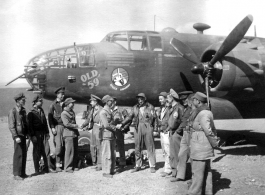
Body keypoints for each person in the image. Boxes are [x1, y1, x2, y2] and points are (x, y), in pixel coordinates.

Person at [118, 93, 157, 173]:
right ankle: (138, 165)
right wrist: (122, 124)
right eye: (138, 99)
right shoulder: (135, 107)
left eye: (141, 98)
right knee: (137, 146)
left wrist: (155, 130)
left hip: (148, 126)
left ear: (145, 98)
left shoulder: (150, 107)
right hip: (137, 127)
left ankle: (152, 165)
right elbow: (129, 117)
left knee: (150, 146)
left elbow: (155, 119)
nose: (140, 100)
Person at [188, 92, 218, 195]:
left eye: (194, 100)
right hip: (202, 145)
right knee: (206, 171)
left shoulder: (203, 113)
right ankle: (208, 191)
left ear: (198, 101)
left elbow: (208, 130)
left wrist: (214, 143)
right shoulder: (203, 112)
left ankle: (194, 192)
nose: (193, 101)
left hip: (200, 146)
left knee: (197, 171)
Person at [27, 95, 57, 174]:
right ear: (35, 102)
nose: (42, 102)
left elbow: (45, 123)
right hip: (36, 134)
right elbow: (29, 126)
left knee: (47, 150)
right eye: (40, 101)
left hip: (43, 133)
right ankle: (37, 169)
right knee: (37, 152)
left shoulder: (41, 110)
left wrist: (47, 132)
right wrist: (32, 136)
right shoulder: (31, 113)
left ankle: (48, 168)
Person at [172, 91, 194, 182]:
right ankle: (180, 175)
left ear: (189, 99)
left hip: (192, 133)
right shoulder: (184, 108)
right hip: (185, 133)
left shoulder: (193, 108)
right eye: (182, 100)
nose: (183, 101)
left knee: (193, 156)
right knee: (181, 154)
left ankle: (194, 178)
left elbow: (185, 122)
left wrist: (177, 131)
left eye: (185, 99)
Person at [8, 93, 30, 180]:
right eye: (22, 100)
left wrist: (27, 133)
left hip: (23, 135)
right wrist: (15, 136)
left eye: (24, 100)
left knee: (24, 154)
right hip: (18, 136)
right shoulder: (13, 111)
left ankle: (22, 173)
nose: (24, 101)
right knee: (18, 154)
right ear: (17, 101)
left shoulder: (23, 111)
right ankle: (16, 174)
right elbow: (11, 125)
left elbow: (25, 123)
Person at [81, 94, 103, 170]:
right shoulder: (92, 109)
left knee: (99, 146)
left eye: (92, 101)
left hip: (99, 128)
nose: (90, 103)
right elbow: (88, 119)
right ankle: (94, 162)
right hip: (94, 128)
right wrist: (83, 125)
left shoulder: (101, 110)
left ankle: (100, 164)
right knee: (92, 146)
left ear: (96, 102)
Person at [166, 89, 184, 179]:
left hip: (176, 134)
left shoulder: (180, 108)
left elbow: (183, 121)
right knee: (172, 154)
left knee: (176, 154)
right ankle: (174, 173)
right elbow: (172, 121)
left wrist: (177, 132)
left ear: (172, 98)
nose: (166, 99)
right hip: (171, 133)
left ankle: (178, 174)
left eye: (168, 97)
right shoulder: (172, 108)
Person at [99, 95, 117, 178]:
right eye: (110, 101)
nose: (112, 102)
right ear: (107, 102)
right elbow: (106, 125)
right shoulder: (103, 112)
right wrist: (114, 127)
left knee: (112, 153)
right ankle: (106, 172)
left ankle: (111, 170)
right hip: (106, 135)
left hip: (111, 135)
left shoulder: (109, 110)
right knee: (107, 153)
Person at [48, 87, 65, 172]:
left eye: (63, 94)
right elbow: (50, 117)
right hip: (57, 126)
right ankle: (57, 165)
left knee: (64, 146)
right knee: (58, 147)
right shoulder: (53, 104)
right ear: (58, 94)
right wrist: (52, 128)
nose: (63, 95)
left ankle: (63, 164)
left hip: (65, 127)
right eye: (62, 94)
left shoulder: (65, 104)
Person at [61, 98, 80, 173]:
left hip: (74, 134)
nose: (73, 104)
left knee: (74, 150)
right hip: (68, 134)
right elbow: (66, 124)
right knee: (69, 151)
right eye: (72, 103)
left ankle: (74, 165)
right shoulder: (64, 113)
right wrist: (75, 126)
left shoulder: (72, 112)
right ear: (68, 104)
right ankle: (68, 167)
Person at [112, 97, 130, 170]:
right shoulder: (108, 110)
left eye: (112, 102)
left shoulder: (121, 110)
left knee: (120, 148)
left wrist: (124, 128)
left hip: (119, 131)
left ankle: (122, 163)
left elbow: (128, 119)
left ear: (115, 102)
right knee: (112, 148)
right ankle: (113, 163)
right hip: (111, 131)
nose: (110, 103)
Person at [156, 92, 171, 177]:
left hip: (167, 132)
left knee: (168, 150)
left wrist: (168, 129)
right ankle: (167, 167)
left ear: (166, 99)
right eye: (159, 99)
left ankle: (168, 170)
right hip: (162, 131)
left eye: (161, 99)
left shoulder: (169, 108)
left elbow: (171, 121)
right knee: (164, 151)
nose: (160, 101)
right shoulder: (161, 108)